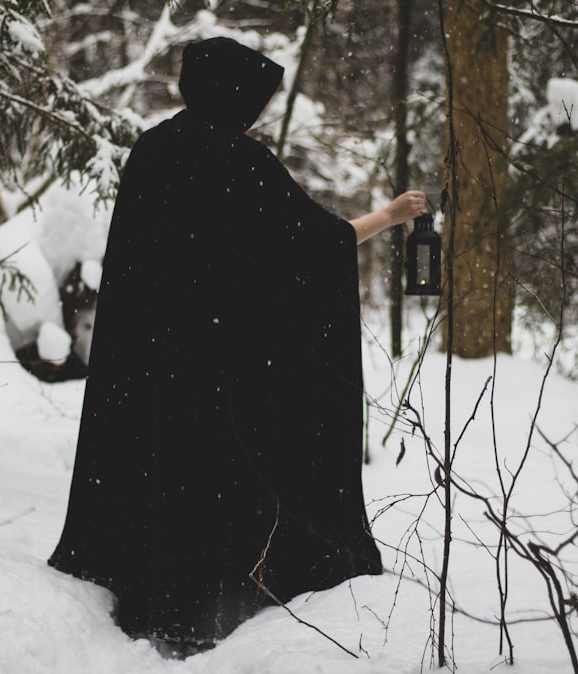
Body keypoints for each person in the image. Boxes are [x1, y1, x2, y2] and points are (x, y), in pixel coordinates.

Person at [48, 36, 426, 656]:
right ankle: (203, 612)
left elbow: (141, 265)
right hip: (219, 369)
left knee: (160, 474)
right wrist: (388, 216)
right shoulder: (241, 163)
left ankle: (152, 599)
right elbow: (316, 247)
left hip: (150, 368)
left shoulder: (152, 151)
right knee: (216, 482)